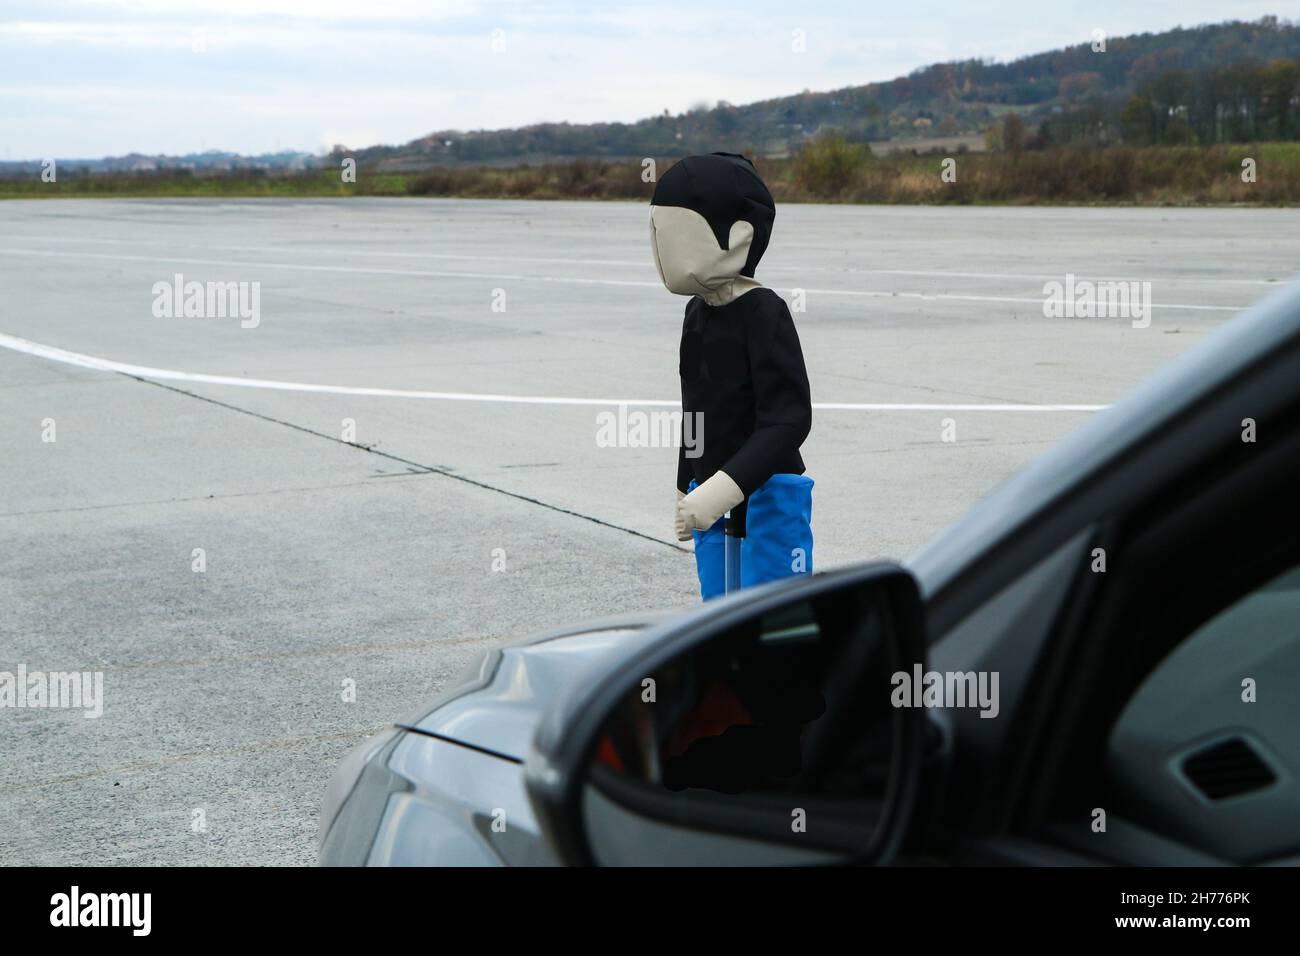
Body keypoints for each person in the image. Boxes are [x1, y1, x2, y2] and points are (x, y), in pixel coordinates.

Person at [648, 152, 814, 599]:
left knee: (773, 619)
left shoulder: (765, 313)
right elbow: (694, 409)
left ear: (738, 237)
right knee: (720, 618)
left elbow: (789, 419)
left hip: (767, 497)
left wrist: (723, 488)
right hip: (709, 499)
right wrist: (686, 484)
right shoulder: (696, 314)